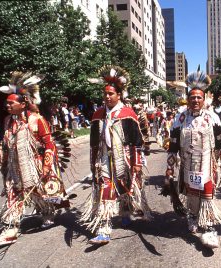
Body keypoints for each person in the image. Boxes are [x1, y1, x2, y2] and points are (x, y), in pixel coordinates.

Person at [0, 71, 70, 247]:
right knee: (13, 195)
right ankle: (11, 229)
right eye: (7, 103)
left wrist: (46, 166)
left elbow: (49, 144)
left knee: (40, 194)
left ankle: (48, 212)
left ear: (23, 104)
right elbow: (7, 145)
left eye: (11, 103)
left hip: (33, 166)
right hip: (14, 168)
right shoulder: (7, 121)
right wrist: (4, 163)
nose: (7, 106)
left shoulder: (37, 120)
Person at [82, 65, 150, 245]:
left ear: (119, 95)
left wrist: (136, 162)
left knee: (125, 187)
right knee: (106, 189)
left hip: (124, 158)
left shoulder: (127, 114)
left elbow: (137, 140)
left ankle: (126, 211)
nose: (107, 96)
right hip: (104, 158)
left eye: (111, 94)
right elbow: (93, 142)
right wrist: (93, 162)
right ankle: (104, 229)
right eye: (105, 93)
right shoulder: (98, 114)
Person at [163, 70, 221, 249]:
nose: (196, 101)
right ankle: (192, 215)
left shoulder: (212, 117)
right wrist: (169, 168)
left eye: (199, 97)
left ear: (204, 99)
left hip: (207, 163)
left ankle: (208, 227)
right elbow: (173, 145)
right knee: (191, 193)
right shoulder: (180, 118)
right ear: (188, 99)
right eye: (192, 98)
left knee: (206, 193)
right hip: (188, 164)